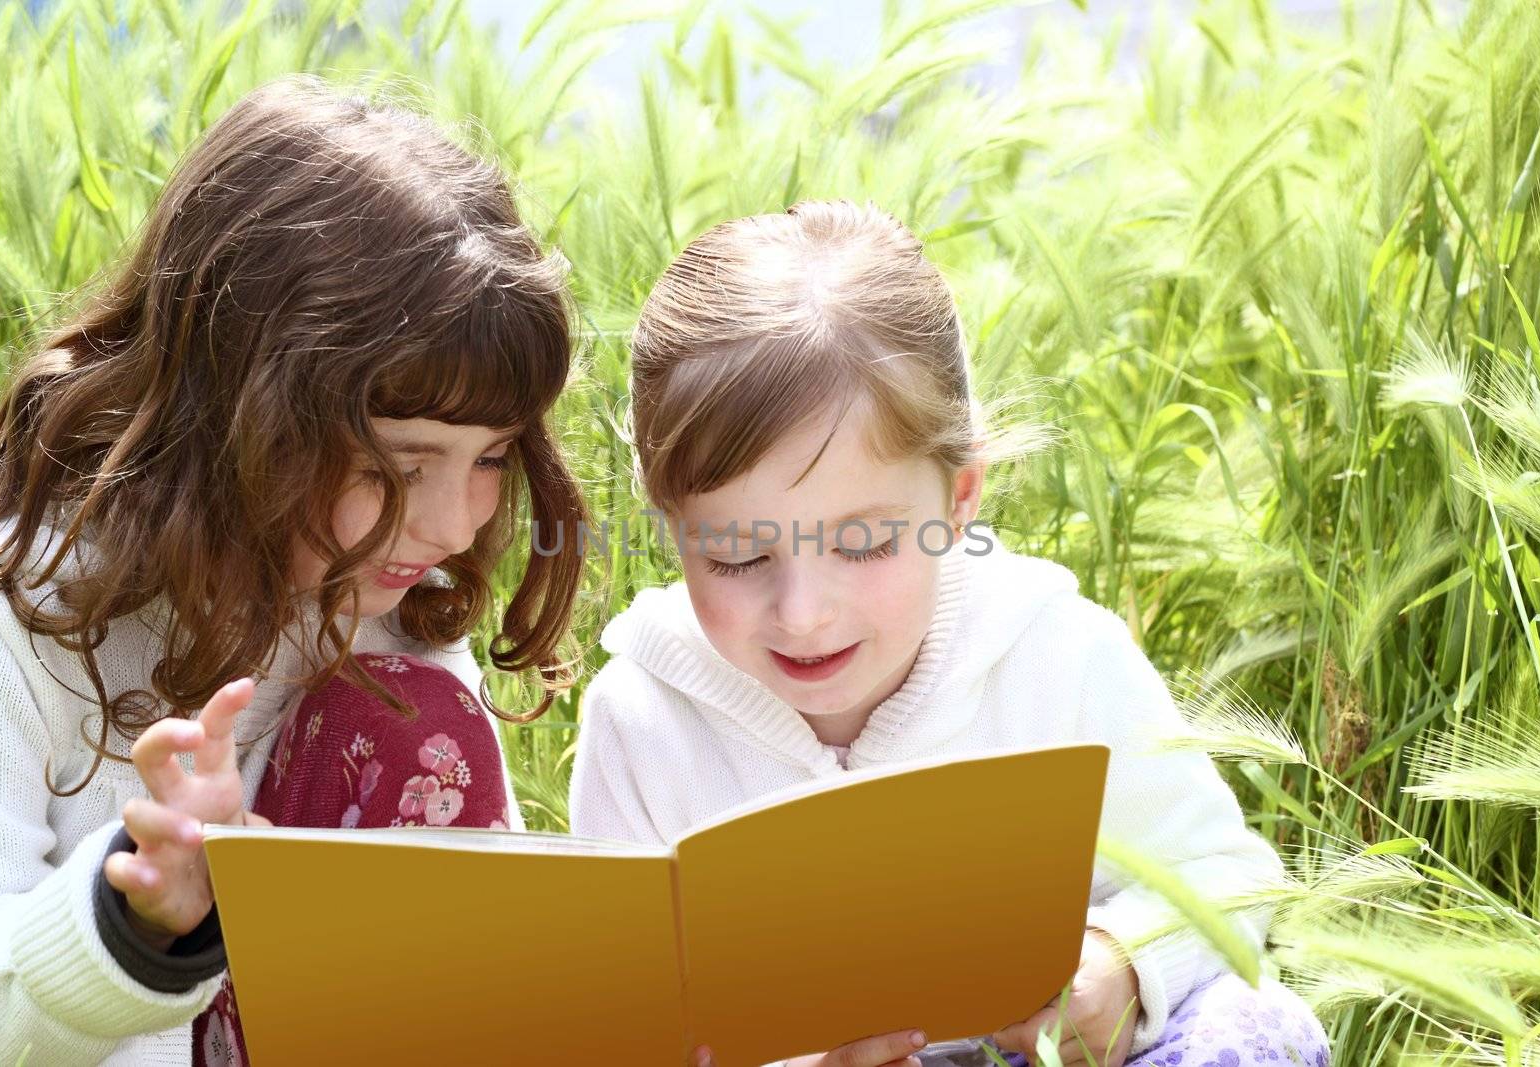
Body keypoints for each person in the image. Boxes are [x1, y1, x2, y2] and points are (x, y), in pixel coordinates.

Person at [569, 201, 1331, 1067]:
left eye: (864, 543)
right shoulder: (641, 718)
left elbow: (1228, 877)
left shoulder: (1060, 654)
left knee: (1261, 1026)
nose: (804, 611)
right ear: (673, 525)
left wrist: (1121, 965)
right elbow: (621, 1020)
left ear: (957, 500)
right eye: (738, 555)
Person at [0, 75, 585, 1066]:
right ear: (240, 415)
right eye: (397, 462)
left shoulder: (392, 589)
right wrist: (140, 910)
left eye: (494, 455)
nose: (456, 519)